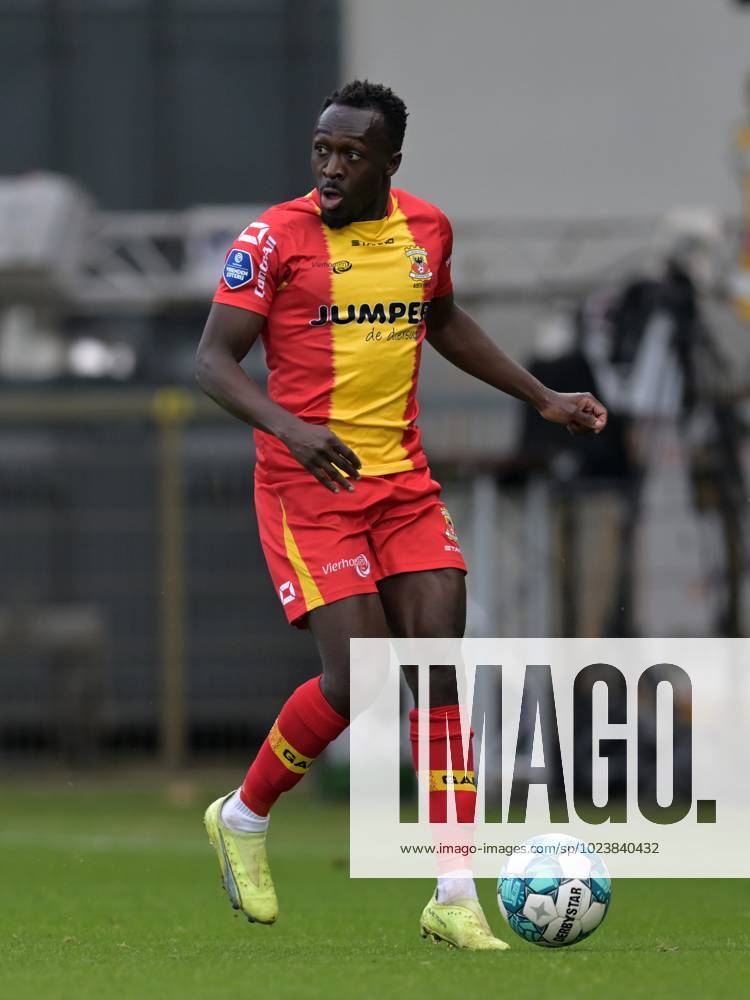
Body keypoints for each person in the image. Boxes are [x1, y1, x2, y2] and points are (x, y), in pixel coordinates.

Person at [196, 80, 607, 951]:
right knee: (360, 680)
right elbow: (214, 360)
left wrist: (541, 397)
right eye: (322, 150)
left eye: (351, 154)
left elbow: (445, 321)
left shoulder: (426, 232)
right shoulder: (274, 238)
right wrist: (289, 426)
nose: (331, 166)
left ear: (390, 162)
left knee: (438, 672)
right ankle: (242, 815)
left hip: (403, 486)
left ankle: (453, 891)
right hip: (308, 489)